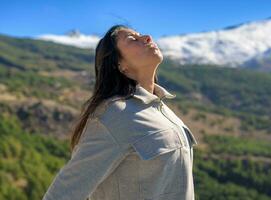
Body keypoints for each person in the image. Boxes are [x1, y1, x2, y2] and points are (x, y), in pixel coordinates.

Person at [42, 24, 198, 200]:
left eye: (140, 35)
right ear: (120, 65)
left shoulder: (164, 110)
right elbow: (62, 194)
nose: (147, 37)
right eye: (132, 39)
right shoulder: (113, 115)